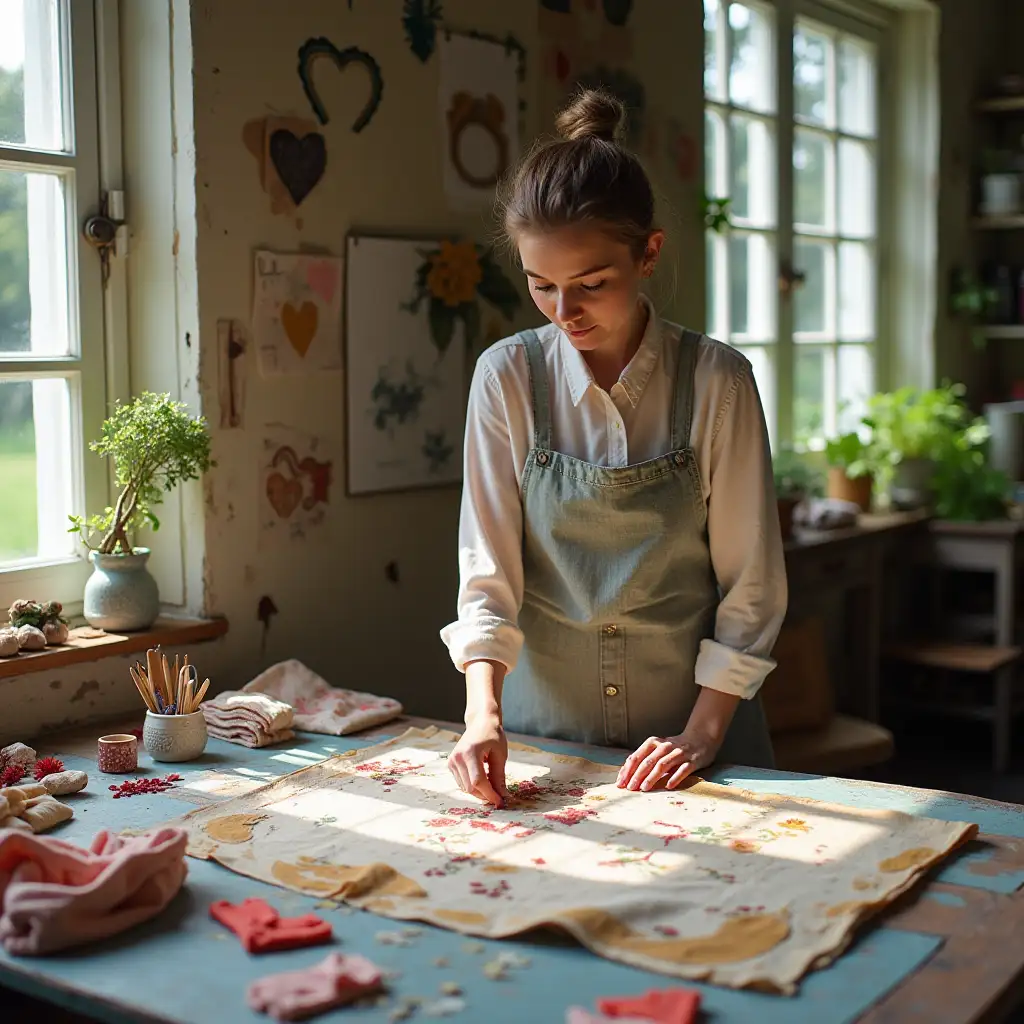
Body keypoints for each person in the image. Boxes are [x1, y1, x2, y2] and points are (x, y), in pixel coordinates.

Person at [439, 89, 787, 808]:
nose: (565, 313)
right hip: (544, 744)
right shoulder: (505, 378)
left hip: (698, 746)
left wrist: (701, 736)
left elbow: (751, 590)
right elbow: (488, 574)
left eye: (591, 284)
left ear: (648, 252)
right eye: (542, 286)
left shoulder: (718, 382)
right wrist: (483, 717)